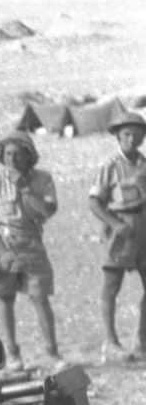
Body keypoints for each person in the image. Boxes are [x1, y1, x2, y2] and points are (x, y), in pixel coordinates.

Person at [0, 131, 63, 370]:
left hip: (33, 245)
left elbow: (47, 211)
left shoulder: (43, 180)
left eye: (17, 154)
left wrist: (26, 190)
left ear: (29, 156)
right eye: (7, 154)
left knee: (40, 299)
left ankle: (53, 353)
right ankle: (13, 355)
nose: (12, 159)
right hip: (5, 247)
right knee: (6, 300)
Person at [89, 110, 146, 363]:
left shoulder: (145, 164)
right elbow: (94, 202)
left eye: (137, 134)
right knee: (112, 287)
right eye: (126, 134)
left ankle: (143, 341)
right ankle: (111, 342)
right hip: (121, 229)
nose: (132, 139)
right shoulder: (110, 166)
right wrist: (113, 224)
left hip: (144, 228)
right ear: (118, 137)